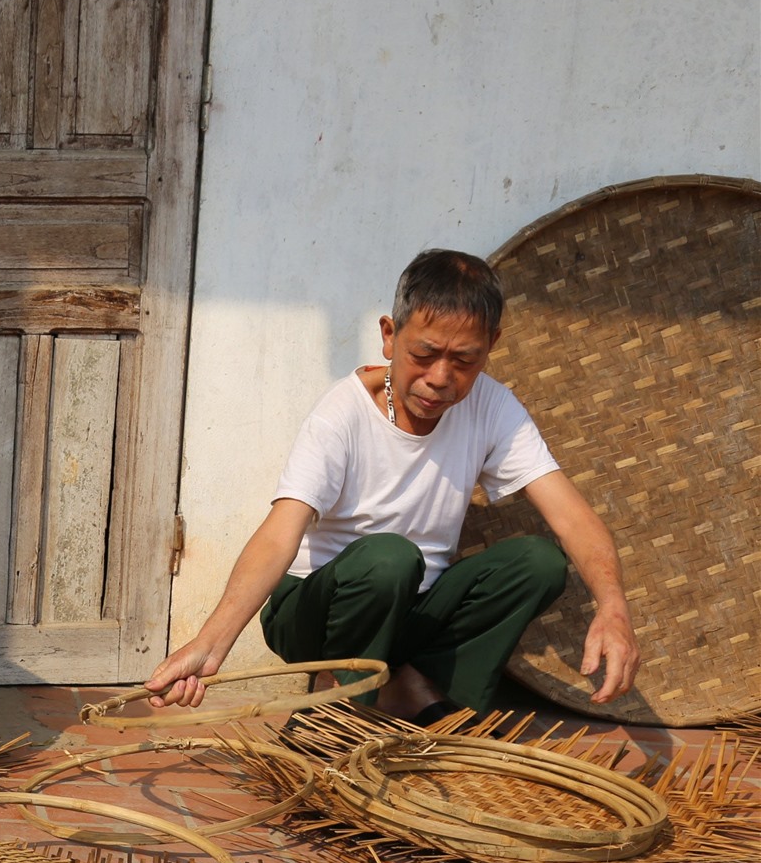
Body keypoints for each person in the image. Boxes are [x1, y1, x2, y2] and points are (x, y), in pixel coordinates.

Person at [146, 249, 639, 722]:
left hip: (411, 613)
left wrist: (613, 607)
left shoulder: (492, 406)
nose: (440, 378)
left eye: (464, 361)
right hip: (315, 614)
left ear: (492, 346)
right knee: (390, 558)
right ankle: (338, 697)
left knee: (537, 561)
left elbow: (571, 516)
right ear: (389, 334)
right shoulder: (342, 413)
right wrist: (210, 645)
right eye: (424, 354)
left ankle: (412, 686)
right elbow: (280, 532)